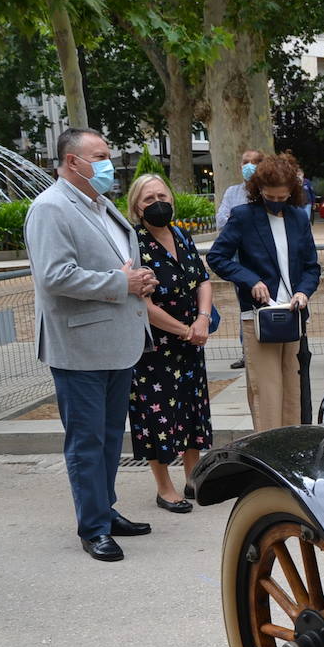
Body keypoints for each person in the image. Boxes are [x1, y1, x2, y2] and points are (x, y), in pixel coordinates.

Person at [26, 127, 157, 562]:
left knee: (106, 437)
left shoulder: (101, 206)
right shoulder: (51, 208)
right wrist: (121, 283)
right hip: (79, 345)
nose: (108, 162)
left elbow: (118, 267)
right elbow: (55, 277)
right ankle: (94, 528)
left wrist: (137, 280)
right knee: (86, 441)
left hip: (117, 341)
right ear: (71, 162)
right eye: (99, 156)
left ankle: (105, 509)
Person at [206, 153, 320, 431]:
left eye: (282, 198)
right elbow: (217, 257)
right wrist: (250, 280)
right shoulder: (244, 216)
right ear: (259, 190)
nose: (276, 202)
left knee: (292, 391)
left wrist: (303, 292)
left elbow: (311, 267)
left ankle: (291, 450)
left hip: (292, 314)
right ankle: (268, 450)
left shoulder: (298, 218)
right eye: (271, 196)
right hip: (259, 316)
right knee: (267, 392)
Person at [125, 173, 213, 513]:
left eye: (162, 195)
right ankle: (164, 487)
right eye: (148, 199)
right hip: (155, 349)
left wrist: (202, 320)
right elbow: (142, 305)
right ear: (136, 207)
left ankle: (194, 477)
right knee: (157, 413)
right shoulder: (134, 244)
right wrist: (184, 329)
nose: (157, 203)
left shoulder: (181, 235)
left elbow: (202, 280)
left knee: (192, 409)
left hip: (192, 341)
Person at [217, 149, 262, 369]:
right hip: (238, 258)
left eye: (255, 162)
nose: (249, 166)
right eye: (246, 162)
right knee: (245, 304)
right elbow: (221, 219)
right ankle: (248, 352)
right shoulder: (232, 192)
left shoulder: (267, 192)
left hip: (262, 256)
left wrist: (238, 223)